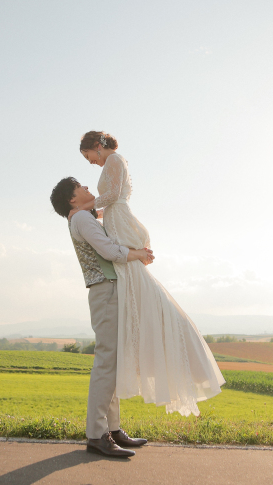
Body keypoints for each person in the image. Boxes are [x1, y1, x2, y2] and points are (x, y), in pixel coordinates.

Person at [74, 131, 225, 417]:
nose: (90, 163)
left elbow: (114, 196)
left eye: (88, 156)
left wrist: (85, 206)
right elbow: (112, 204)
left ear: (96, 146)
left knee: (141, 286)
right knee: (136, 286)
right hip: (117, 220)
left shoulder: (115, 159)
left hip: (122, 222)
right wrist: (97, 213)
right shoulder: (109, 165)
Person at [50, 177, 153, 458]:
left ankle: (113, 428)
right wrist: (138, 254)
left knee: (113, 363)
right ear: (72, 199)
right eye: (81, 187)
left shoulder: (85, 217)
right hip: (105, 292)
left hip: (109, 292)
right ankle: (97, 434)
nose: (87, 188)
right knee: (106, 363)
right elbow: (108, 251)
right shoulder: (81, 219)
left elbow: (108, 211)